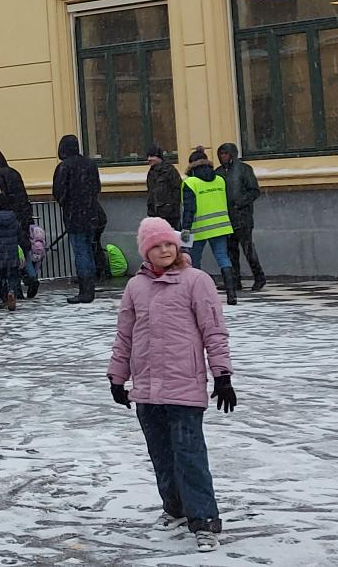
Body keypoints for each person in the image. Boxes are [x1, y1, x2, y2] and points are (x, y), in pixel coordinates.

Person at [109, 217, 237, 550]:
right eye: (156, 245)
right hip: (147, 389)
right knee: (162, 455)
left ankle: (205, 520)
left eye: (169, 243)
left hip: (184, 387)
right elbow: (125, 336)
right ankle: (175, 508)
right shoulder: (135, 287)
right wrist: (117, 377)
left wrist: (222, 375)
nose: (165, 249)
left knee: (189, 455)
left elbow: (214, 330)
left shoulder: (197, 281)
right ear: (146, 251)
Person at [178, 148, 241, 306]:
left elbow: (189, 210)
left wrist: (185, 231)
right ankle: (231, 294)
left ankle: (197, 296)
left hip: (198, 229)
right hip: (221, 227)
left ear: (191, 165)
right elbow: (227, 203)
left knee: (194, 262)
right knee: (223, 258)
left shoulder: (190, 183)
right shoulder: (220, 179)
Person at [55, 134, 109, 303]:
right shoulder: (90, 164)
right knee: (89, 250)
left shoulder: (64, 167)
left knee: (81, 252)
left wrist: (68, 203)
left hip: (74, 216)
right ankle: (90, 286)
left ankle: (85, 291)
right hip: (91, 214)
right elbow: (97, 187)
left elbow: (59, 192)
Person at [0, 149, 32, 310]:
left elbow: (1, 197)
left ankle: (12, 291)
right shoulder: (13, 172)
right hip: (22, 215)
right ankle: (30, 277)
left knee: (8, 260)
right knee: (22, 250)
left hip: (9, 218)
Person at [215, 144, 267, 293]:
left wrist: (240, 203)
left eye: (226, 153)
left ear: (232, 154)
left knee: (248, 249)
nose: (223, 156)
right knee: (231, 251)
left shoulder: (244, 169)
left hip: (242, 217)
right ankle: (235, 280)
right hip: (226, 218)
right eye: (221, 154)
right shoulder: (218, 172)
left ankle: (259, 277)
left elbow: (254, 191)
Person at [144, 147, 183, 234]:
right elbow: (151, 193)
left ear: (159, 157)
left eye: (152, 156)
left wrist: (170, 207)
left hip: (170, 216)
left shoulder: (169, 170)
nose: (149, 159)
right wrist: (150, 211)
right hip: (155, 215)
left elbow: (178, 190)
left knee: (174, 240)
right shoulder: (151, 173)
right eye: (148, 156)